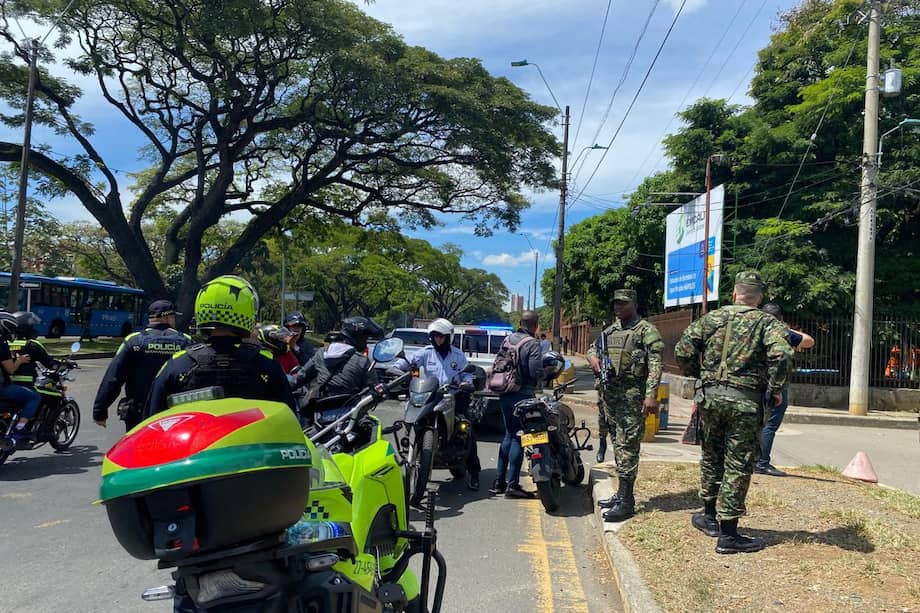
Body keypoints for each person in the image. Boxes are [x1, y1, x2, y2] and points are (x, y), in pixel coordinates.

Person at [674, 271, 793, 554]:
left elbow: (682, 349)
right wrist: (775, 388)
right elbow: (784, 354)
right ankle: (728, 534)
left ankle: (708, 515)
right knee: (738, 464)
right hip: (745, 402)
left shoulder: (712, 318)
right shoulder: (766, 322)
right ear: (759, 297)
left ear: (734, 294)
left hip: (710, 398)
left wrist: (699, 375)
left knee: (712, 456)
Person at [145, 276, 295, 418]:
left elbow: (151, 419)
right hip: (252, 445)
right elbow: (289, 419)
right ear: (247, 313)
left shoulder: (177, 363)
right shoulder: (266, 363)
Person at [590, 289, 664, 522]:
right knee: (617, 444)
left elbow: (655, 364)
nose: (618, 307)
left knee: (628, 446)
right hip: (609, 396)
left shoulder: (645, 330)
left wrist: (651, 395)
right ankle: (621, 495)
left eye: (623, 303)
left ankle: (627, 501)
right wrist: (594, 360)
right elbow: (592, 349)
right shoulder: (610, 331)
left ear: (634, 304)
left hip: (633, 396)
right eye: (616, 303)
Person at [394, 318, 481, 491]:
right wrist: (397, 368)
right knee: (411, 418)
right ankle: (409, 448)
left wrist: (467, 382)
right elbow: (406, 363)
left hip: (452, 397)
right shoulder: (425, 353)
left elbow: (467, 375)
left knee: (467, 430)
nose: (438, 340)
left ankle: (475, 474)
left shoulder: (457, 355)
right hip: (428, 396)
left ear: (448, 337)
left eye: (441, 336)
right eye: (435, 336)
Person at [93, 300, 193, 430]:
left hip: (138, 412)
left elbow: (113, 378)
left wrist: (100, 410)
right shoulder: (186, 341)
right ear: (168, 317)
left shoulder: (133, 340)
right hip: (174, 413)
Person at [489, 310, 544, 499]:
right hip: (522, 395)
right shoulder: (533, 344)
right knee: (520, 438)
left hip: (504, 393)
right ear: (535, 325)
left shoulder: (508, 339)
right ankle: (512, 485)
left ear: (520, 322)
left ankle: (499, 482)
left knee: (508, 435)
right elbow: (535, 371)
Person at [756, 303, 815, 477]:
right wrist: (787, 328)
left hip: (751, 383)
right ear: (780, 319)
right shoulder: (780, 332)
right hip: (775, 384)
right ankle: (761, 462)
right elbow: (809, 341)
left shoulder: (752, 329)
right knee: (770, 424)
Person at [291, 316, 381, 418]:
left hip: (319, 417)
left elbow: (299, 378)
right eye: (365, 338)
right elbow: (372, 392)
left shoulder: (321, 353)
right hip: (350, 419)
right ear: (359, 337)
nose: (365, 343)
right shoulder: (362, 361)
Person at [0, 311, 42, 444]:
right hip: (3, 388)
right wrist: (19, 360)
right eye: (11, 328)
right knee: (34, 397)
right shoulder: (1, 344)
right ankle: (19, 428)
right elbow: (10, 369)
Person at [8, 311, 68, 389]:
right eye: (32, 326)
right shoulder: (32, 345)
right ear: (27, 327)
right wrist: (62, 365)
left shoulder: (6, 343)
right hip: (27, 385)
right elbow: (49, 363)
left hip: (8, 383)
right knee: (52, 396)